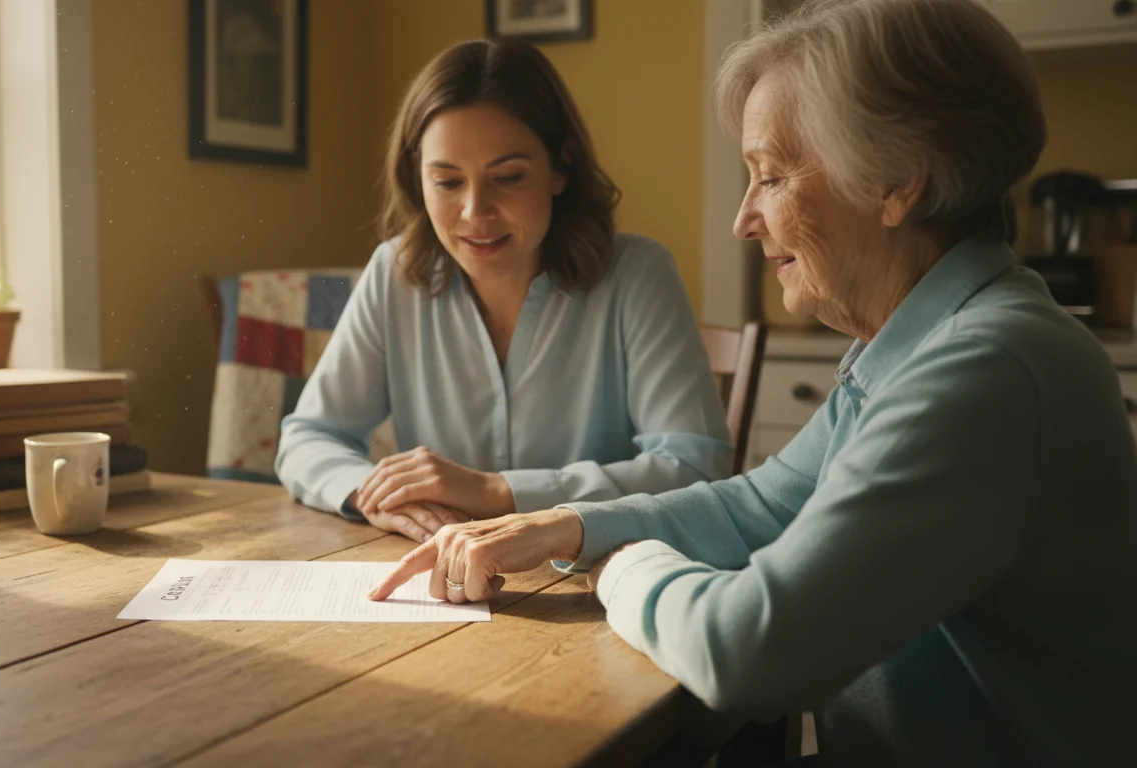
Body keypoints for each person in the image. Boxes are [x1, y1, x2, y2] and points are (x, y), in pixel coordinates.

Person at [370, 1, 1136, 764]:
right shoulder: (924, 342)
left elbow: (747, 649)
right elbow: (766, 501)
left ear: (898, 180)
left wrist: (621, 564)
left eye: (770, 175)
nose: (744, 218)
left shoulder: (985, 369)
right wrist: (568, 525)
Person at [274, 38, 732, 543]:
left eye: (508, 177)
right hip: (442, 580)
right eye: (447, 182)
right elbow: (308, 437)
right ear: (416, 178)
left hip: (596, 582)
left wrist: (497, 491)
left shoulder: (638, 273)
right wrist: (372, 494)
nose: (475, 212)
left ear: (562, 167)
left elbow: (695, 467)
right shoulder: (393, 272)